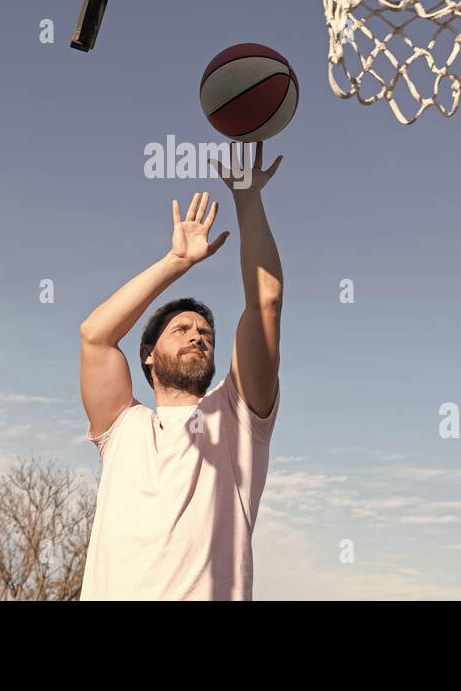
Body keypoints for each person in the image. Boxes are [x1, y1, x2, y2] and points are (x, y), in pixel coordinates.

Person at [77, 142, 284, 600]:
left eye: (206, 332)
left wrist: (247, 197)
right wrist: (176, 263)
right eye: (182, 328)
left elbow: (265, 303)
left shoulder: (237, 419)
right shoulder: (123, 426)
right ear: (147, 354)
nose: (197, 335)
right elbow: (95, 335)